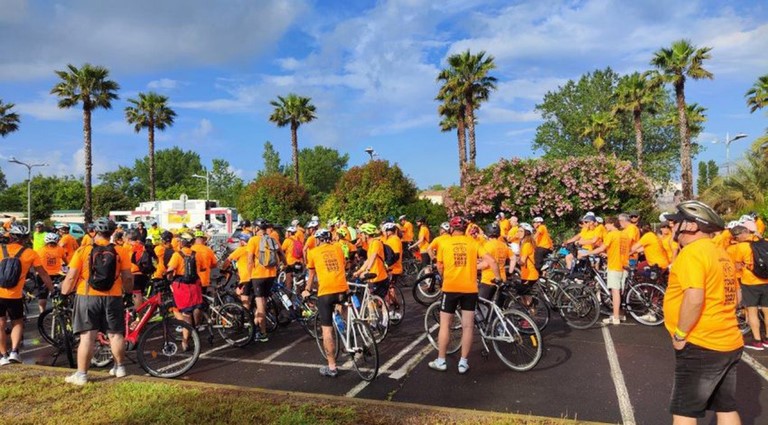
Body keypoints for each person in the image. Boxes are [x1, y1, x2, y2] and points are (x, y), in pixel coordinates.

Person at [662, 201, 742, 424]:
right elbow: (736, 296)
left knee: (685, 411)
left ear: (689, 225)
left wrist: (680, 334)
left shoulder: (692, 253)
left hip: (702, 343)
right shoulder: (721, 252)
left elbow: (695, 299)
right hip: (728, 340)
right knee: (726, 407)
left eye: (676, 222)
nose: (672, 227)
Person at [60, 218, 132, 384]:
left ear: (95, 232)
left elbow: (71, 277)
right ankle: (120, 367)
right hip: (113, 296)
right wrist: (127, 293)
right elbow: (127, 276)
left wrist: (64, 295)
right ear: (112, 232)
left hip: (87, 295)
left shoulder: (83, 251)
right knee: (115, 334)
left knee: (87, 336)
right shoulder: (121, 251)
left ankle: (82, 374)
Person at [429, 216, 500, 374]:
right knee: (468, 326)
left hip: (451, 287)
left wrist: (444, 277)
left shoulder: (444, 242)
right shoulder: (473, 242)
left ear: (451, 229)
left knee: (445, 325)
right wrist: (498, 277)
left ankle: (441, 360)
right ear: (465, 228)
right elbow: (491, 261)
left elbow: (440, 265)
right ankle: (463, 363)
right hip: (470, 289)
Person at [0, 224, 53, 366]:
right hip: (15, 296)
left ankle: (3, 355)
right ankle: (14, 352)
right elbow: (42, 273)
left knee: (1, 323)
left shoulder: (0, 249)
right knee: (18, 322)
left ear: (10, 236)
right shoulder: (30, 253)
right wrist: (52, 289)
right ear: (25, 239)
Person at [302, 229, 347, 377]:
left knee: (326, 331)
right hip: (342, 289)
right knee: (342, 308)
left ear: (319, 239)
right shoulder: (338, 248)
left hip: (326, 292)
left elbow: (312, 275)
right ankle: (347, 334)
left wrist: (307, 290)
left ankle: (332, 367)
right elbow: (343, 265)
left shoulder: (313, 252)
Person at [580, 216, 630, 325]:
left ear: (611, 223)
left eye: (606, 224)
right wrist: (607, 254)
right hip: (624, 264)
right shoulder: (624, 234)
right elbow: (620, 249)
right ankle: (620, 313)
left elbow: (602, 247)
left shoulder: (611, 234)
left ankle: (615, 317)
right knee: (620, 291)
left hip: (614, 266)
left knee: (615, 292)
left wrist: (587, 253)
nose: (605, 227)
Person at [728, 223, 768, 350]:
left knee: (752, 311)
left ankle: (757, 341)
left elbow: (737, 265)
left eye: (736, 236)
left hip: (750, 282)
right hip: (766, 281)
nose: (735, 239)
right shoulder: (765, 241)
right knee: (767, 310)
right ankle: (767, 338)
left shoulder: (741, 247)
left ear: (742, 234)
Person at [165, 232, 206, 349]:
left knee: (186, 313)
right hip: (195, 285)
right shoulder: (197, 255)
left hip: (181, 286)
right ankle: (196, 328)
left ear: (182, 242)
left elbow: (170, 270)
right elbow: (202, 268)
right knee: (197, 307)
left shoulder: (177, 255)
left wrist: (169, 278)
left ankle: (185, 341)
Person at [247, 220, 285, 342]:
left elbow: (249, 260)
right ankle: (255, 325)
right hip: (271, 275)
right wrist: (286, 264)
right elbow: (281, 254)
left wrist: (248, 276)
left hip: (258, 275)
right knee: (263, 301)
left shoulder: (253, 240)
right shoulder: (272, 239)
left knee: (260, 304)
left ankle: (263, 333)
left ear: (257, 228)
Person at [352, 223, 390, 300]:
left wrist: (367, 270)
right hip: (373, 276)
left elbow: (373, 256)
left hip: (378, 276)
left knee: (376, 300)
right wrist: (359, 271)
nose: (360, 236)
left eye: (361, 234)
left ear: (366, 234)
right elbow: (368, 260)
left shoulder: (376, 243)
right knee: (377, 300)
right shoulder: (371, 244)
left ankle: (388, 310)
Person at [478, 223, 512, 303]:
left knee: (481, 304)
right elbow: (512, 258)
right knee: (496, 306)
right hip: (502, 277)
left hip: (489, 279)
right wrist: (510, 272)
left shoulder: (487, 245)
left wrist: (472, 266)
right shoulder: (504, 245)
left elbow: (486, 264)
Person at [35, 232, 66, 312]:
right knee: (58, 293)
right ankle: (59, 310)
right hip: (57, 275)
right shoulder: (60, 249)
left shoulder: (40, 250)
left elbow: (36, 264)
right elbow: (66, 261)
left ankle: (42, 313)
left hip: (42, 275)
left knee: (42, 295)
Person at [281, 226, 303, 290]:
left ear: (290, 233)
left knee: (288, 279)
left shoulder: (287, 240)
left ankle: (289, 293)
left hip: (290, 263)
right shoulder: (298, 240)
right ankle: (299, 293)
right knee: (298, 279)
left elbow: (282, 250)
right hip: (299, 262)